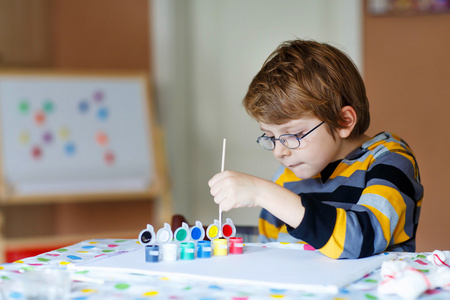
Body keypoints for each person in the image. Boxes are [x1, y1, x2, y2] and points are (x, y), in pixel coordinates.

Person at [208, 39, 423, 259]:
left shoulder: (390, 162)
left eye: (294, 135)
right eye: (271, 136)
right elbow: (270, 251)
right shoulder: (285, 177)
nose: (279, 152)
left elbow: (358, 240)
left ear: (343, 122)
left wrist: (263, 193)